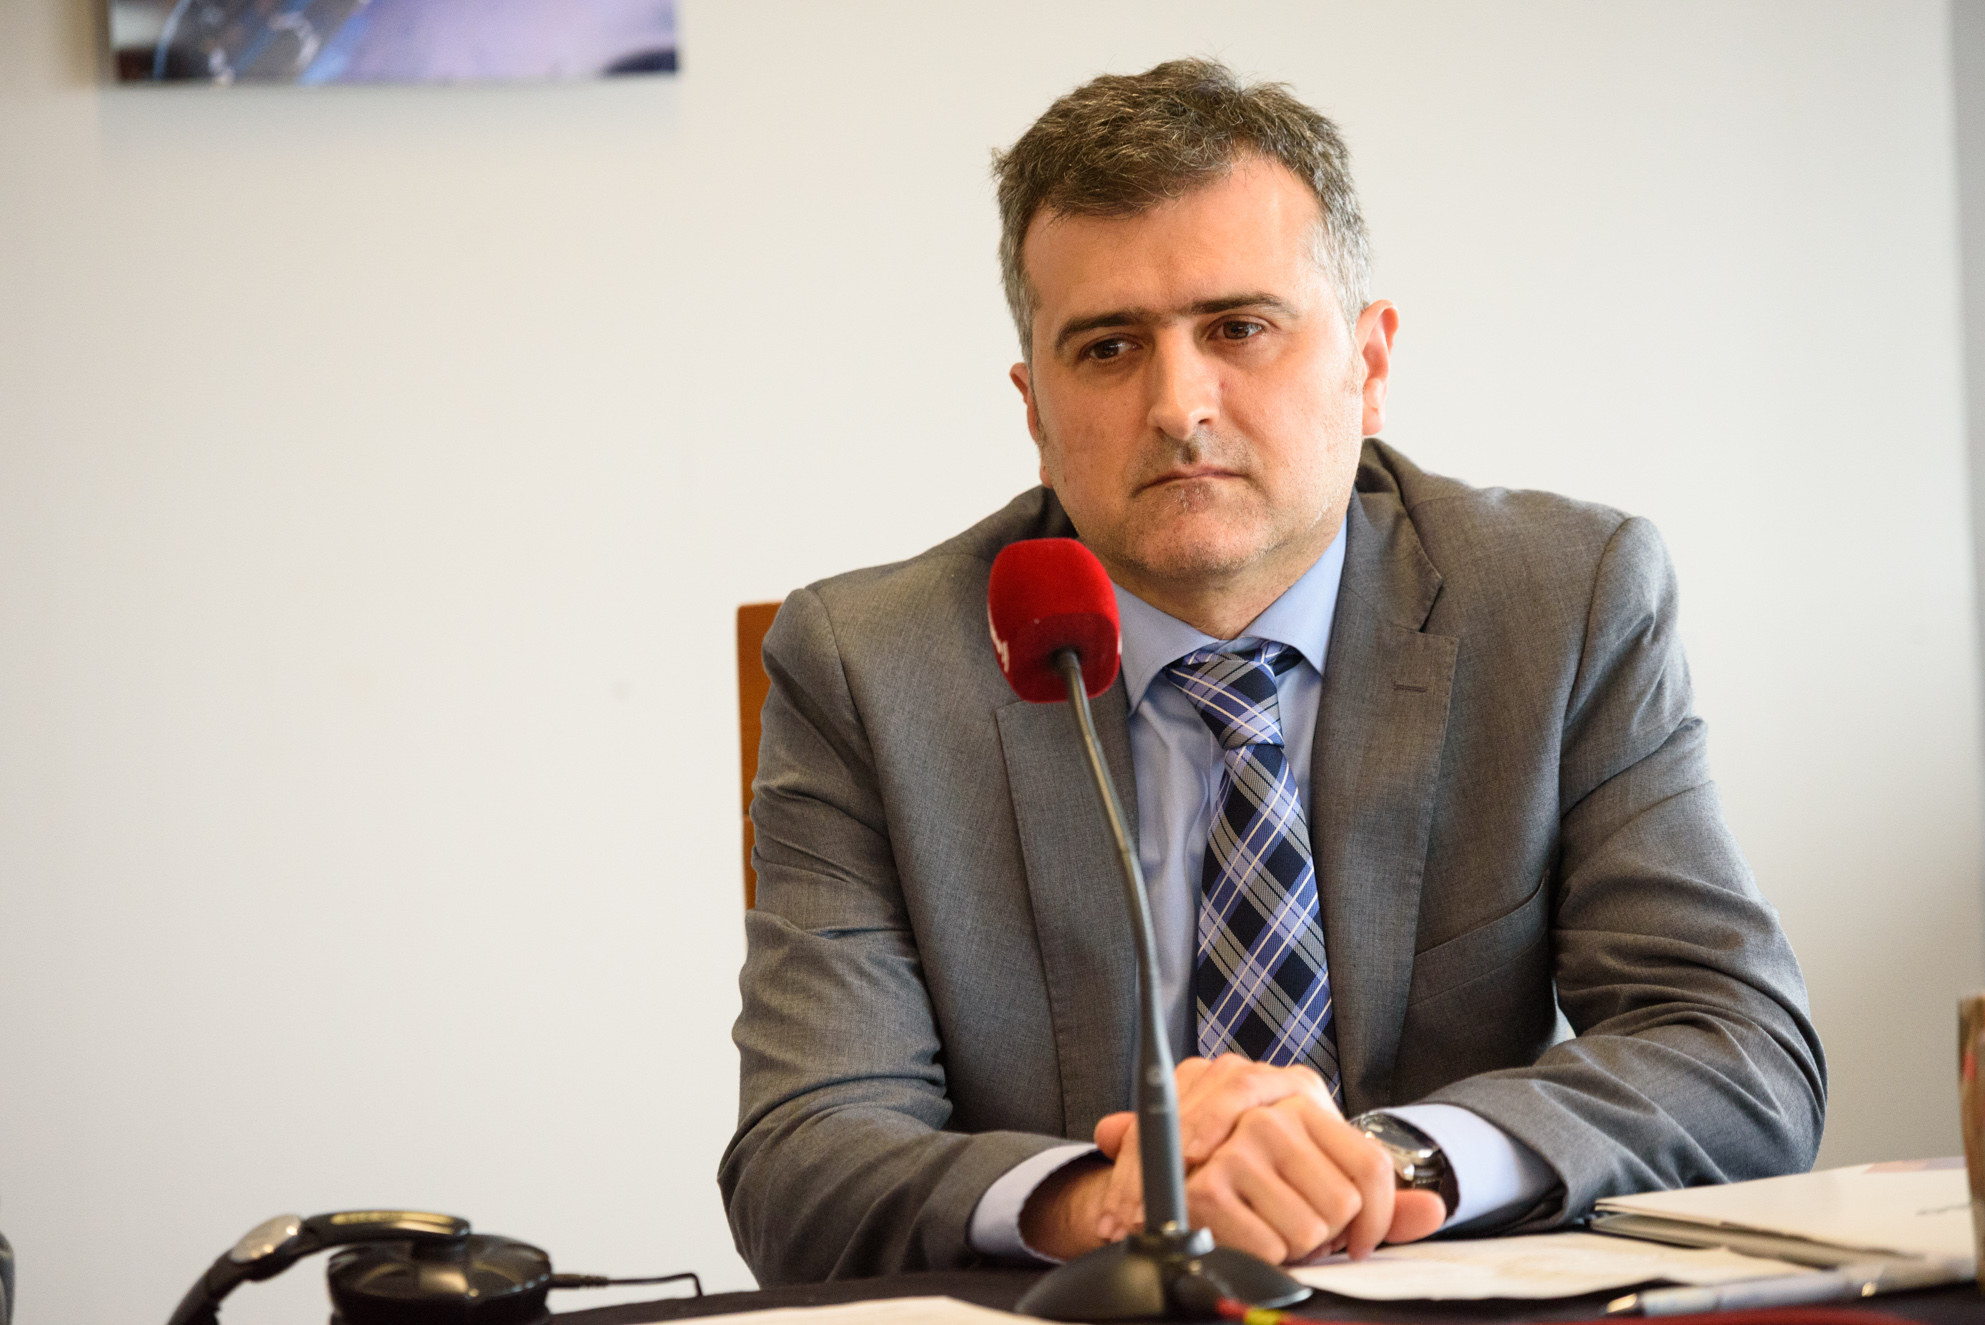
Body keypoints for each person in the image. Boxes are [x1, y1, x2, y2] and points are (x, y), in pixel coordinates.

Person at [720, 58, 1825, 1286]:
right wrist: (1113, 1196)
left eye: (1237, 329)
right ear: (1033, 408)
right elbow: (802, 1157)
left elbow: (1736, 1052)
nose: (1176, 404)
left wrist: (1380, 1162)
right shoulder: (870, 668)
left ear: (1369, 361)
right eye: (1107, 347)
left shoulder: (1562, 602)